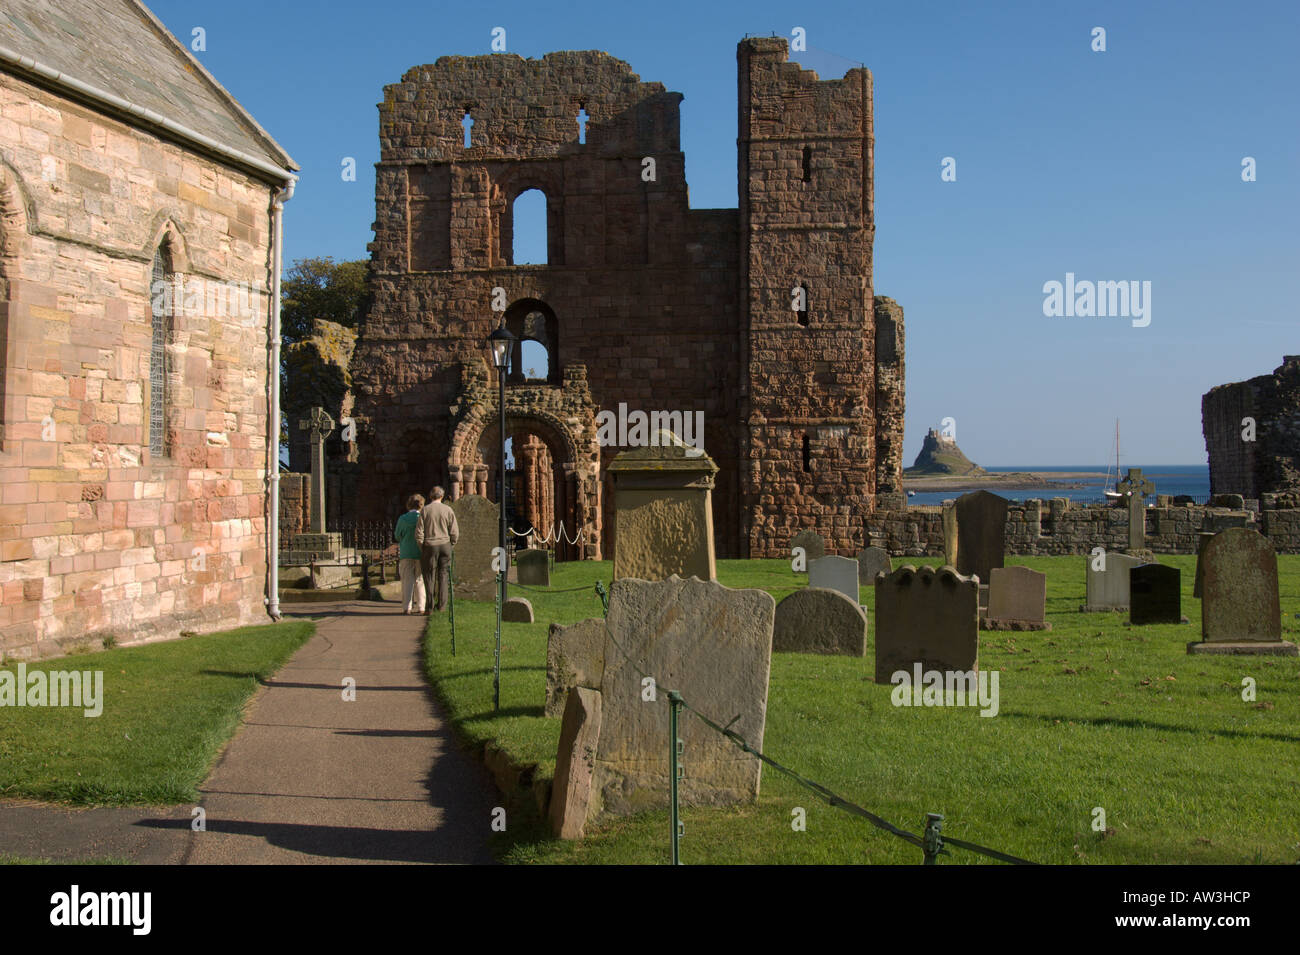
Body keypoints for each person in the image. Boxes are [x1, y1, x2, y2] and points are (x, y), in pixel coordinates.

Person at [415, 486, 458, 613]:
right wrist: (451, 544)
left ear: (430, 496)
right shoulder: (448, 510)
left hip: (430, 545)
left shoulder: (425, 510)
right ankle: (442, 606)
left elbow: (419, 532)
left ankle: (429, 607)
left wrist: (422, 546)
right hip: (445, 544)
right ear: (442, 496)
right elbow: (454, 531)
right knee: (443, 575)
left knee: (429, 576)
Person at [393, 494, 426, 614]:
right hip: (420, 553)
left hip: (406, 553)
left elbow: (397, 535)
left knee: (407, 580)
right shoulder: (423, 518)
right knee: (420, 580)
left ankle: (407, 607)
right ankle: (422, 607)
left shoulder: (403, 519)